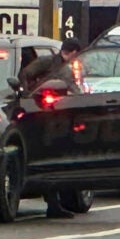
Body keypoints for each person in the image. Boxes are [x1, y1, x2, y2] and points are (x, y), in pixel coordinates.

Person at [18, 38, 83, 218]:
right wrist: (29, 96)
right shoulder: (47, 62)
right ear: (73, 52)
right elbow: (25, 75)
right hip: (45, 115)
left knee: (61, 160)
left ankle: (57, 203)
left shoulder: (69, 67)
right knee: (50, 158)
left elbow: (73, 88)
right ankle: (53, 204)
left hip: (63, 115)